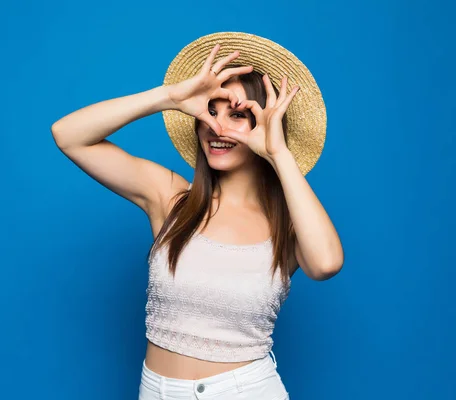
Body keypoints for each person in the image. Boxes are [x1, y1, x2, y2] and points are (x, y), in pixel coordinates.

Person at [51, 32, 344, 400]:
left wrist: (278, 154)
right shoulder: (171, 198)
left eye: (238, 115)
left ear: (266, 123)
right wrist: (170, 97)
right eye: (211, 110)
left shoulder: (288, 224)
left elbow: (327, 264)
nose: (217, 128)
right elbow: (68, 135)